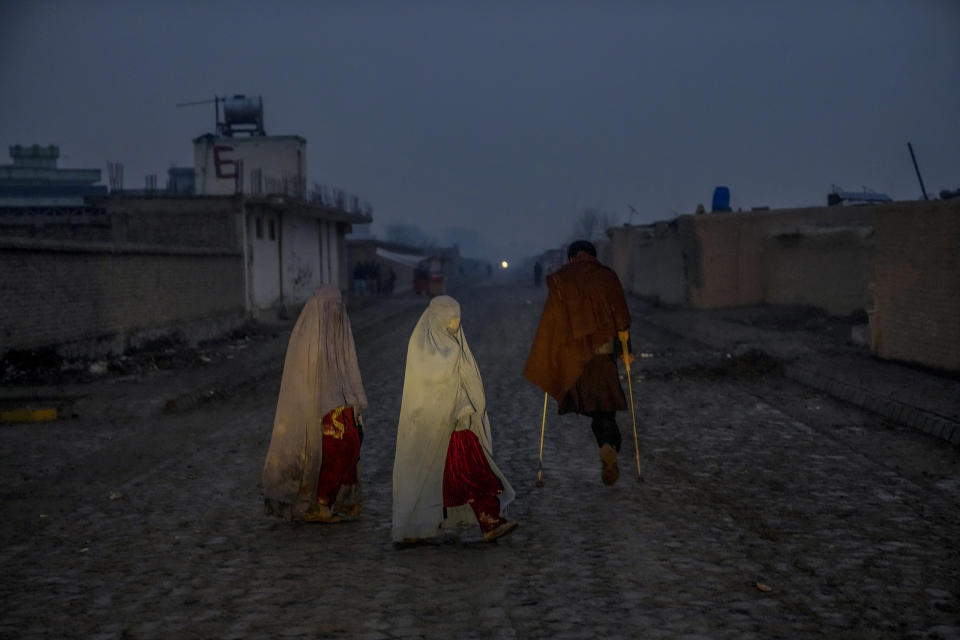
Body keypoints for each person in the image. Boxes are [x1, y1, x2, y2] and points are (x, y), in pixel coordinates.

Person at [392, 296, 518, 543]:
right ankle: (419, 527)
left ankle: (486, 520)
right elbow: (425, 393)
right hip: (434, 428)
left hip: (458, 423)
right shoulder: (423, 349)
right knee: (468, 472)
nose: (454, 325)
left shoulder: (455, 344)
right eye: (450, 320)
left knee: (463, 473)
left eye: (457, 320)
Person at [523, 240, 634, 485]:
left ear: (572, 258)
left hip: (572, 359)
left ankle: (607, 447)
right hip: (602, 355)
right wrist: (627, 349)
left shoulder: (562, 278)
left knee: (592, 406)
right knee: (606, 410)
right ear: (593, 257)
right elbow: (621, 315)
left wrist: (549, 355)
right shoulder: (607, 276)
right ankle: (609, 447)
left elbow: (551, 322)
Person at [262, 285, 368, 523]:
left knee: (352, 445)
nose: (336, 312)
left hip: (341, 402)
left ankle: (338, 500)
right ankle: (318, 503)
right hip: (316, 408)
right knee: (331, 450)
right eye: (331, 307)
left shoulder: (340, 328)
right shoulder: (307, 335)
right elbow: (302, 378)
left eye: (339, 307)